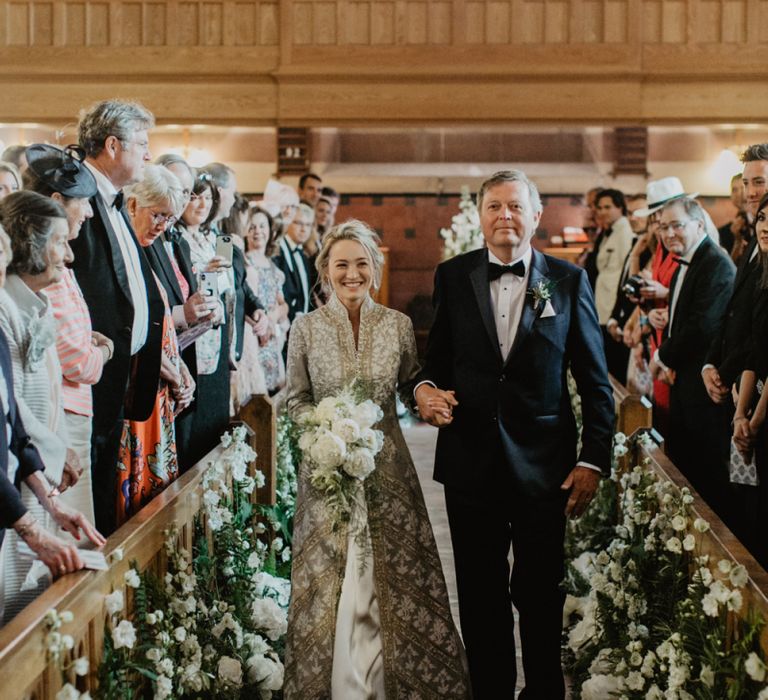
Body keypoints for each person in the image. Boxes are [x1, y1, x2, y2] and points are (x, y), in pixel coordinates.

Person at [415, 170, 614, 699]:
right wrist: (425, 391)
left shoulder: (568, 281)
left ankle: (546, 691)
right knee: (480, 595)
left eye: (516, 207)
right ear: (481, 217)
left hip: (545, 465)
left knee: (541, 591)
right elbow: (434, 364)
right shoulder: (454, 276)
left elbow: (595, 381)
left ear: (536, 215)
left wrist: (593, 459)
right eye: (495, 207)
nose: (506, 216)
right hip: (470, 463)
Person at [283, 220, 470, 699]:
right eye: (342, 264)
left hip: (388, 468)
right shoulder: (304, 328)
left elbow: (409, 385)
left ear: (376, 268)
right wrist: (326, 428)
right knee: (335, 580)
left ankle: (393, 682)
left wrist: (426, 398)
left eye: (362, 264)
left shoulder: (397, 325)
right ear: (325, 270)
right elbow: (295, 401)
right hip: (326, 471)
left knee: (387, 572)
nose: (352, 274)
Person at [0, 192, 106, 621]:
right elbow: (15, 409)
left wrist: (49, 496)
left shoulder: (33, 303)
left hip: (28, 472)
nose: (70, 256)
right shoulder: (6, 309)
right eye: (60, 243)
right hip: (10, 484)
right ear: (31, 243)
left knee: (30, 598)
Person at [70, 99, 165, 535]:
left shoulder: (112, 199)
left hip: (120, 373)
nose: (148, 153)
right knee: (88, 492)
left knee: (104, 486)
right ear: (112, 145)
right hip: (91, 373)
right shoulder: (77, 197)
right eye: (141, 143)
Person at [22, 143, 113, 542]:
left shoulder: (60, 258)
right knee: (71, 532)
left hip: (68, 412)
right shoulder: (45, 268)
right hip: (57, 417)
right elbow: (78, 361)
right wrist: (103, 350)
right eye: (84, 203)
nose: (90, 212)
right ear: (57, 200)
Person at [650, 196, 735, 518]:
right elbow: (685, 318)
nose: (669, 233)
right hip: (685, 380)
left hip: (705, 386)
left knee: (707, 475)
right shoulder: (689, 259)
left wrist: (663, 355)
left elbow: (702, 326)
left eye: (676, 225)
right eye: (663, 227)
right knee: (689, 467)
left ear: (699, 224)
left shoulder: (714, 263)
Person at [119, 164, 194, 525]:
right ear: (133, 205)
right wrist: (173, 374)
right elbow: (131, 336)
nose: (164, 225)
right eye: (159, 214)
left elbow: (160, 328)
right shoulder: (122, 255)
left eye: (169, 218)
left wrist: (181, 370)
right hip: (137, 397)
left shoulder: (144, 253)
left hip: (160, 392)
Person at [732, 191, 768, 569]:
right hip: (754, 405)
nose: (766, 226)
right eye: (762, 218)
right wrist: (739, 414)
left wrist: (753, 422)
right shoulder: (761, 276)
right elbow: (752, 353)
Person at [244, 206, 289, 393]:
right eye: (252, 227)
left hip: (272, 338)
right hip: (254, 335)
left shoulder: (273, 266)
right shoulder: (245, 262)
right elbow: (242, 302)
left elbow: (283, 304)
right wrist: (260, 324)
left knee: (274, 393)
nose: (258, 232)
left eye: (262, 226)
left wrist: (273, 317)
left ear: (270, 231)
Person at [593, 188, 634, 383]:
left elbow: (624, 273)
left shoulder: (624, 231)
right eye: (600, 207)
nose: (603, 211)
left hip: (612, 302)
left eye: (608, 207)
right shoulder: (609, 232)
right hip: (602, 300)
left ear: (620, 207)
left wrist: (616, 313)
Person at [274, 202, 315, 323]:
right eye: (299, 223)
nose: (304, 229)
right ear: (288, 223)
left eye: (308, 225)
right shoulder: (279, 250)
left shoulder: (303, 255)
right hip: (285, 323)